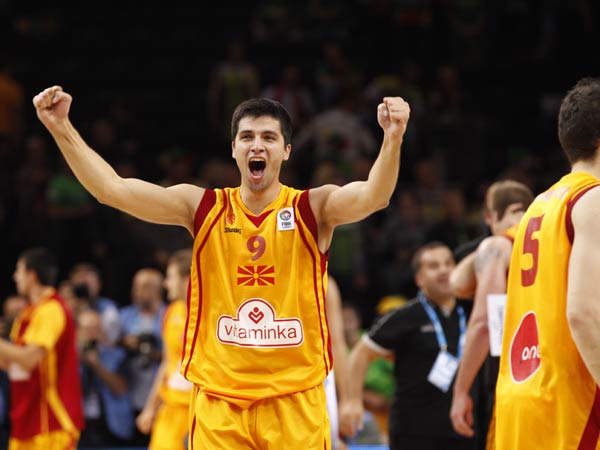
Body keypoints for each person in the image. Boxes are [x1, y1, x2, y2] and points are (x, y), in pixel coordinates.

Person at [33, 85, 410, 449]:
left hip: (295, 399)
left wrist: (392, 140)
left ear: (286, 151)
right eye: (247, 137)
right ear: (234, 149)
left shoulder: (312, 208)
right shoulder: (202, 207)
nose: (257, 145)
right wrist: (61, 127)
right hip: (220, 402)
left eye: (268, 137)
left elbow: (373, 197)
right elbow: (112, 190)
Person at [495, 76, 600, 449]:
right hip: (572, 408)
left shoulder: (540, 204)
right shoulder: (593, 200)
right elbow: (582, 314)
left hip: (522, 399)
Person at [341, 242, 473, 450]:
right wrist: (352, 401)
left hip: (466, 429)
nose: (444, 270)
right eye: (434, 266)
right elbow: (360, 353)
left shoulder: (472, 311)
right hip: (414, 432)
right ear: (419, 279)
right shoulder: (406, 316)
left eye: (449, 263)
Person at [448, 180, 534, 449]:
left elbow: (482, 319)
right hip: (567, 378)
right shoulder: (560, 237)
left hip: (518, 378)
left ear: (491, 216)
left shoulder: (497, 246)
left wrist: (460, 391)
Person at [2, 247, 84, 449]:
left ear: (32, 276)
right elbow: (14, 364)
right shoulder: (27, 314)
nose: (15, 277)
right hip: (26, 421)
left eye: (19, 271)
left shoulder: (52, 310)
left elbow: (29, 358)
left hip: (51, 422)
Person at [136, 249, 193, 450]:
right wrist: (151, 408)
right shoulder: (171, 312)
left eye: (170, 277)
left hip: (199, 409)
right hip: (170, 408)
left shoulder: (212, 313)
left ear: (187, 279)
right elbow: (167, 363)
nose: (166, 284)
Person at [77, 309, 134, 447]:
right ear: (77, 332)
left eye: (95, 329)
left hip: (111, 427)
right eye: (86, 329)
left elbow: (120, 388)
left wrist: (97, 365)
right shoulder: (70, 358)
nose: (91, 334)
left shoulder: (117, 355)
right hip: (79, 425)